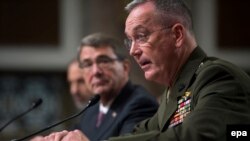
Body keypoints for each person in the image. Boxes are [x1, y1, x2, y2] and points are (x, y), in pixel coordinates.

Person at [30, 0, 250, 141]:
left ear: (177, 35)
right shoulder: (172, 93)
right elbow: (135, 135)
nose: (133, 50)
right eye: (130, 41)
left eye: (142, 36)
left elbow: (195, 136)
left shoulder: (217, 77)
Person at [30, 33, 159, 141]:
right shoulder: (92, 109)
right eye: (87, 64)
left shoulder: (140, 104)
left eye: (104, 61)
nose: (96, 71)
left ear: (125, 68)